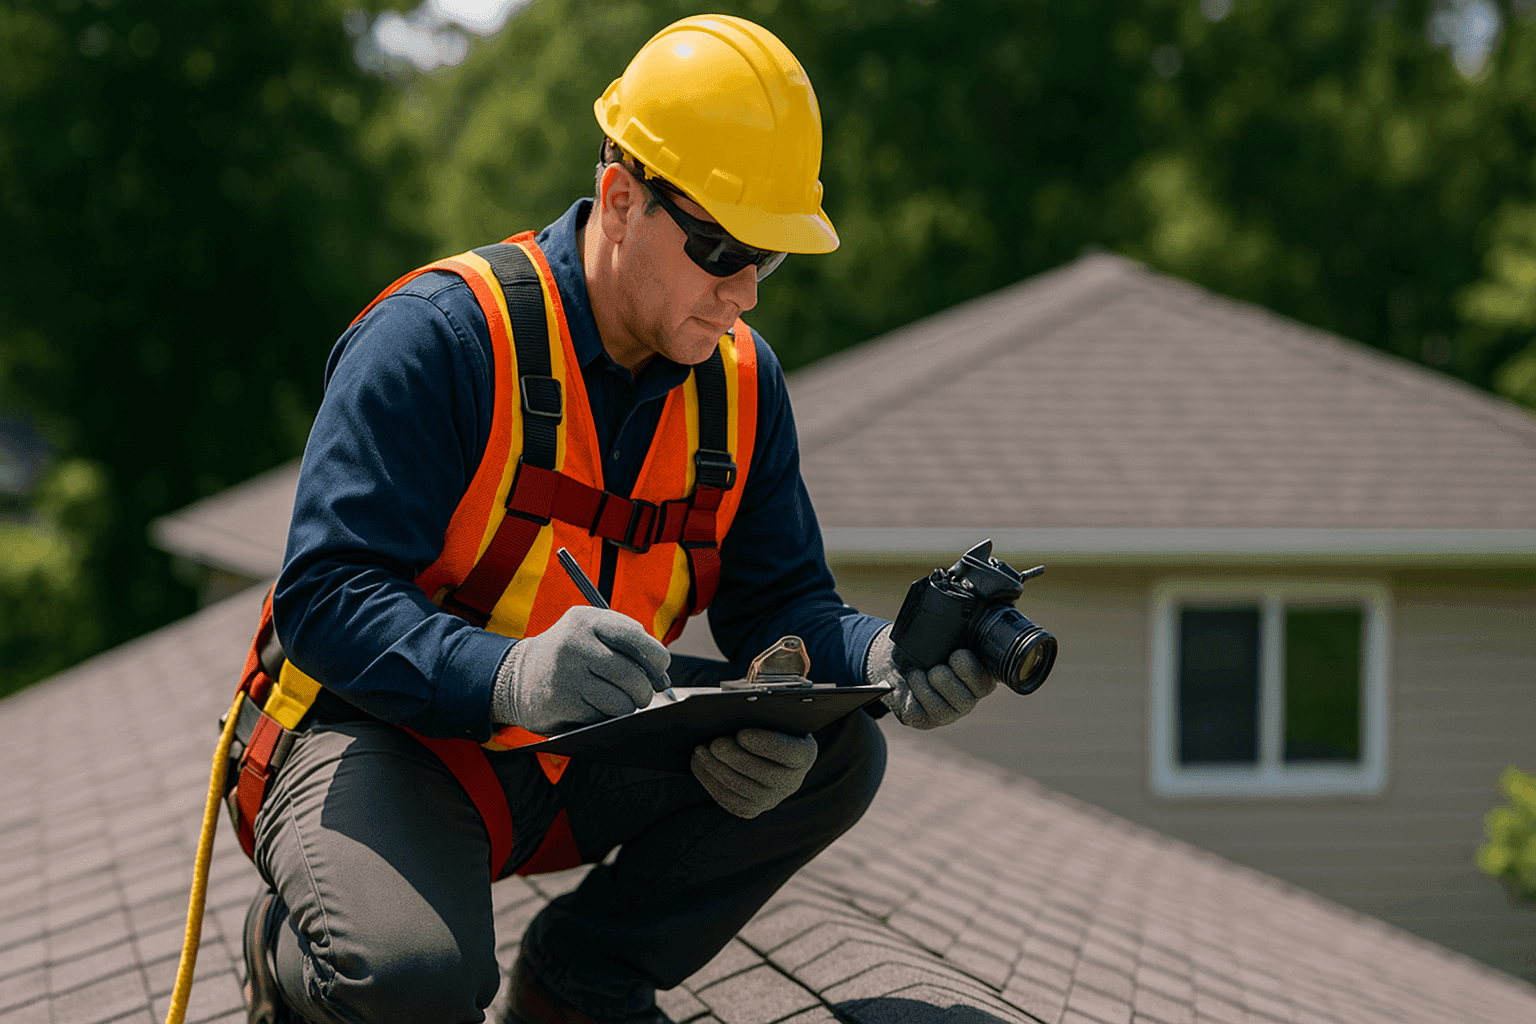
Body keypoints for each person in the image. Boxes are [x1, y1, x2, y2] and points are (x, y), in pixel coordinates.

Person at [241, 14, 1001, 1024]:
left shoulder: (739, 387)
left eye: (766, 260)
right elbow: (325, 599)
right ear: (618, 198)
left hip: (573, 741)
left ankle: (577, 986)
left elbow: (784, 602)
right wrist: (510, 674)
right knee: (414, 984)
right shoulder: (441, 340)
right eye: (720, 247)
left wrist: (884, 660)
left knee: (836, 747)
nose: (742, 293)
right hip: (383, 734)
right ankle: (293, 953)